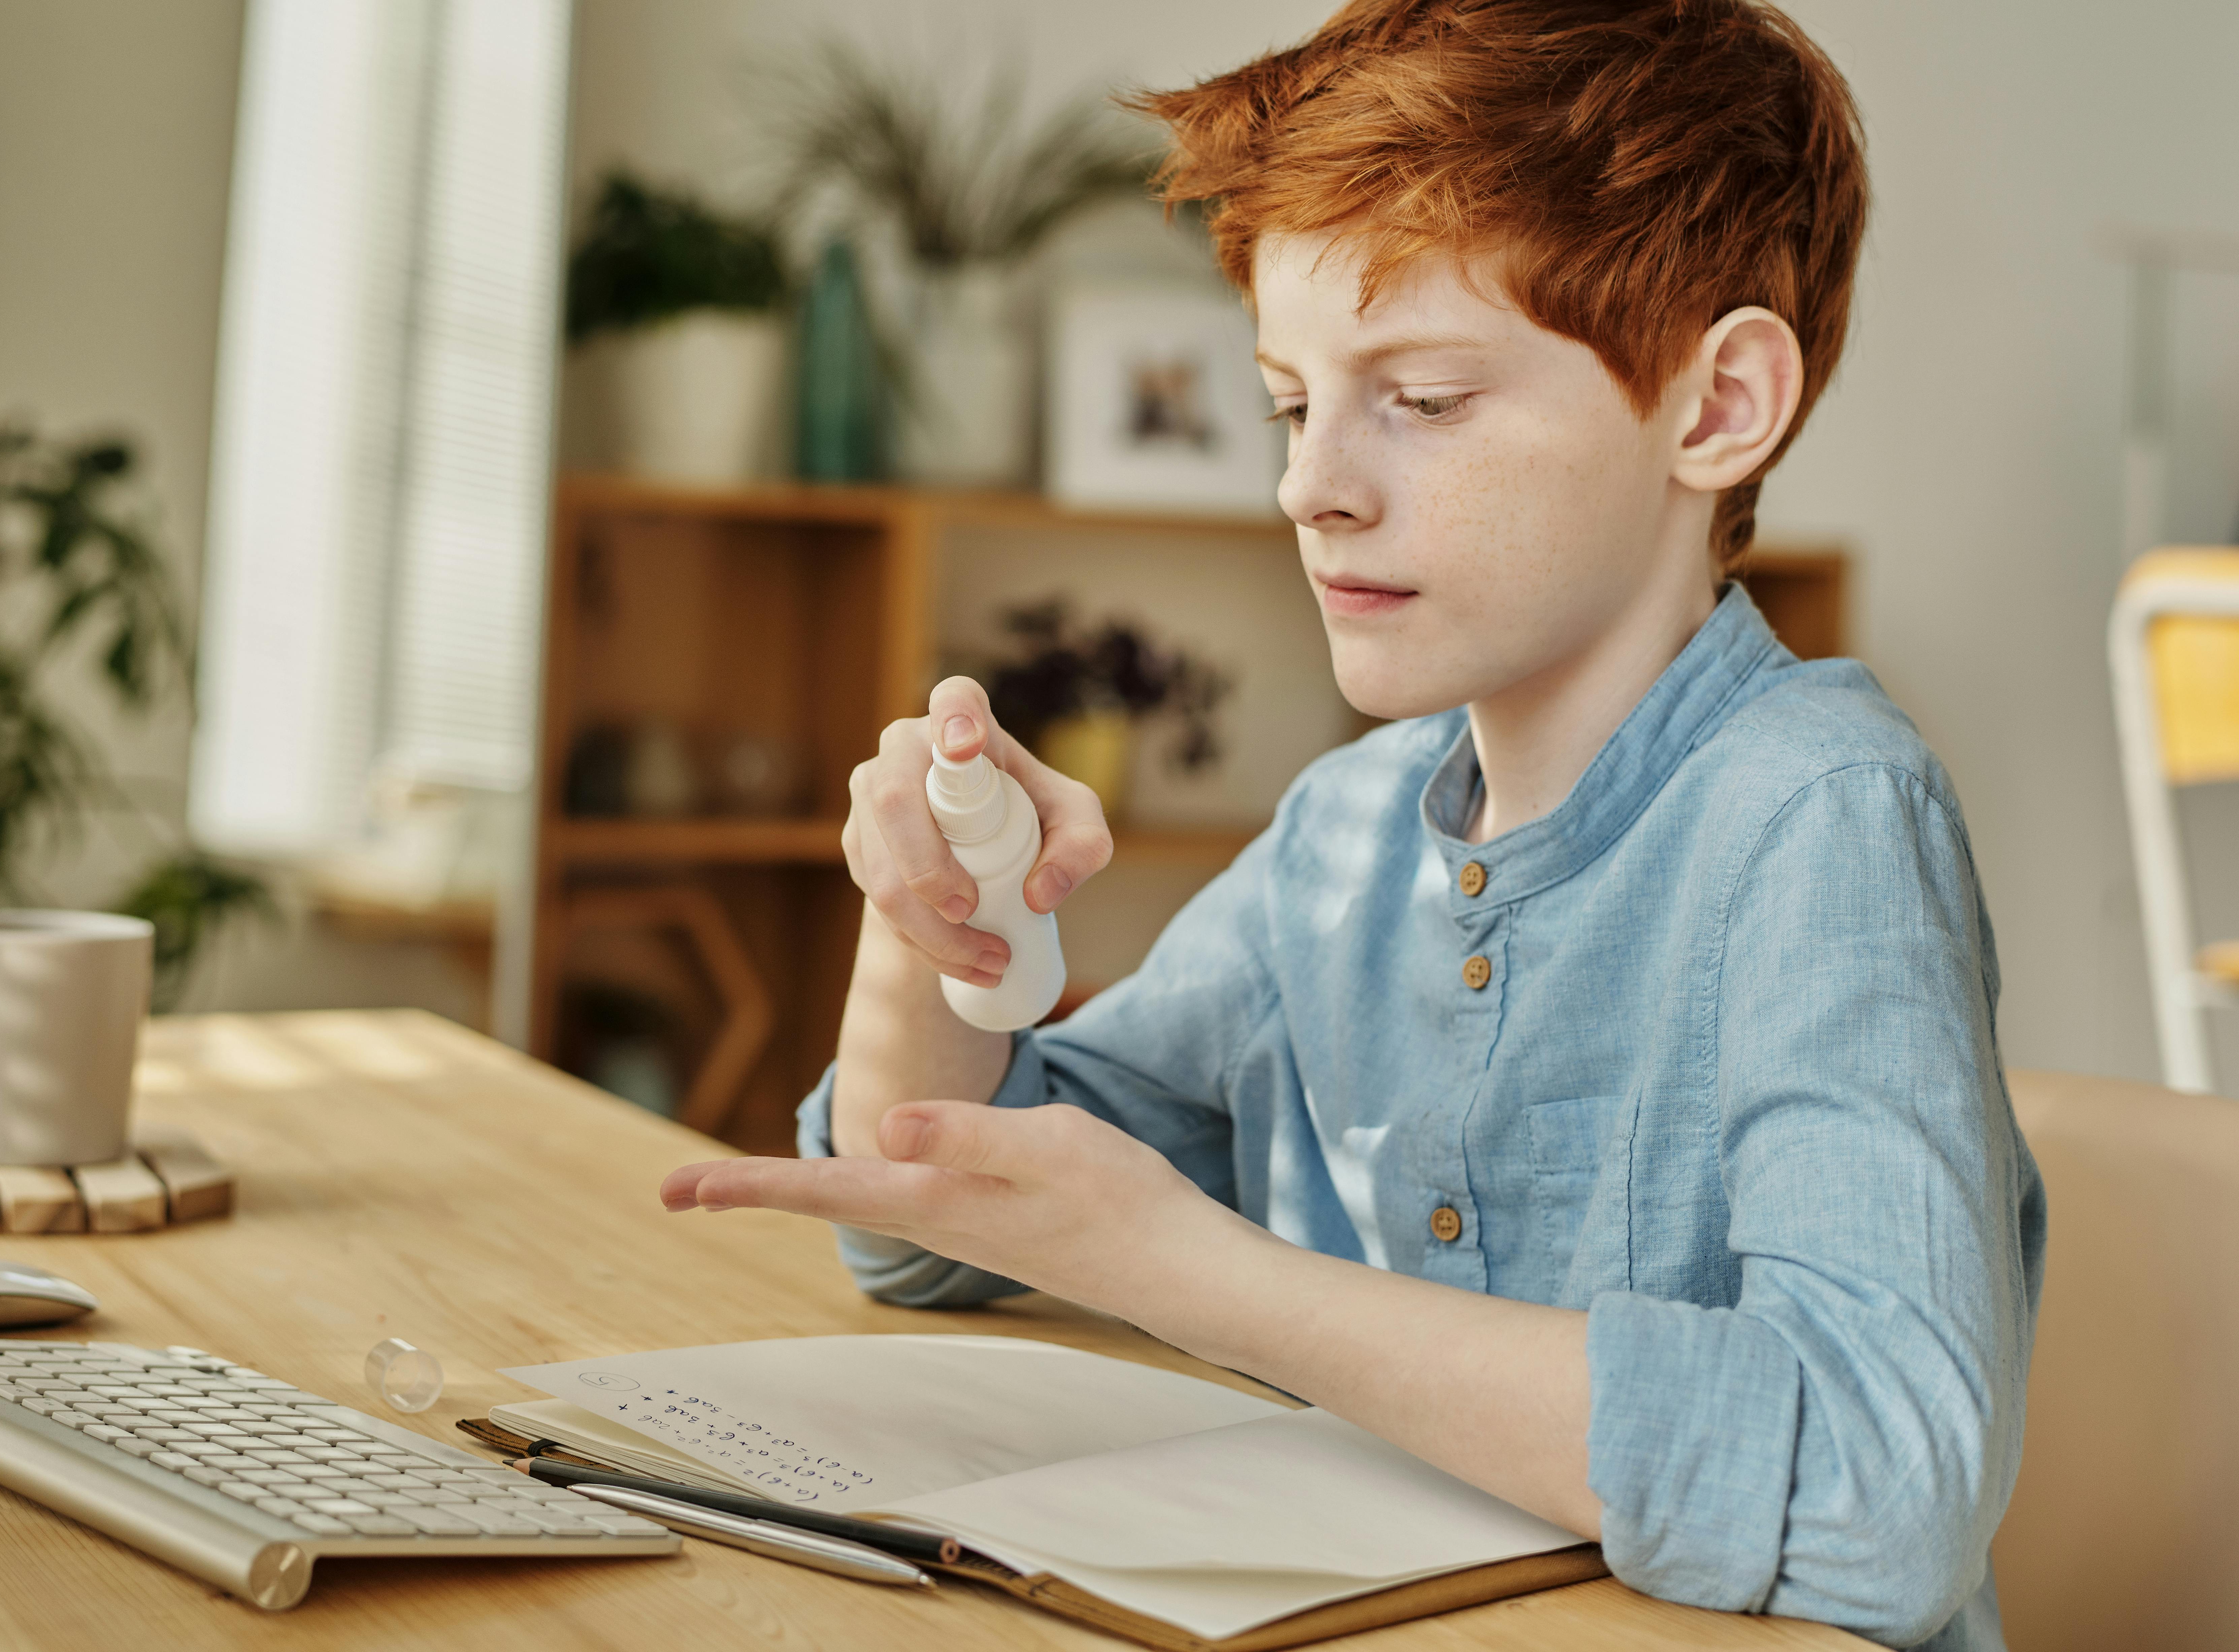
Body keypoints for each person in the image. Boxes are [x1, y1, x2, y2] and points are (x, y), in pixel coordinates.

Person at [660, 3, 2043, 1646]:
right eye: (1289, 404)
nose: (1310, 485)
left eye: (1429, 398)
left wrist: (1200, 1274)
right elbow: (942, 1232)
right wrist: (931, 933)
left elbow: (1885, 1491)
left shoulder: (1816, 816)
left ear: (1717, 403)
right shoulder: (1348, 831)